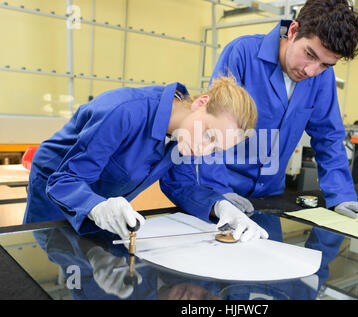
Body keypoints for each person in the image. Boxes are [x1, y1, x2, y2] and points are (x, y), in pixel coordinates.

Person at [160, 0, 358, 235]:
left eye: (325, 65)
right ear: (293, 31)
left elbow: (329, 137)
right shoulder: (242, 53)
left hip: (271, 199)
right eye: (309, 54)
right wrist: (217, 192)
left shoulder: (322, 78)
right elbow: (212, 124)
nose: (311, 71)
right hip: (222, 195)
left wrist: (341, 195)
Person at [24, 76, 268, 241]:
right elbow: (65, 179)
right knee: (48, 256)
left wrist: (220, 206)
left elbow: (181, 185)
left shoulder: (186, 137)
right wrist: (95, 206)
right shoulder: (123, 111)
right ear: (201, 103)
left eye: (215, 148)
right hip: (56, 182)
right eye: (209, 135)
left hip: (104, 193)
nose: (205, 150)